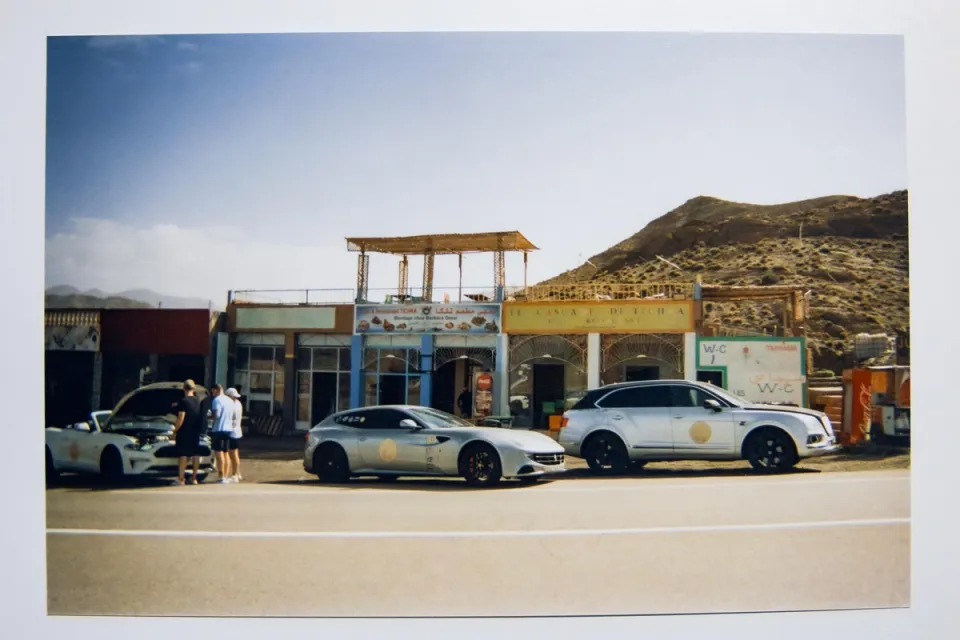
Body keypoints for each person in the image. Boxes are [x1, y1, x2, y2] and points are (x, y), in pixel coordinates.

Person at [172, 379, 203, 485]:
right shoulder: (198, 401)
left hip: (185, 431)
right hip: (195, 431)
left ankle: (181, 478)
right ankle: (194, 478)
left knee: (183, 454)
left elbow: (181, 417)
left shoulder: (183, 401)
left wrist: (175, 430)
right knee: (195, 454)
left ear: (184, 388)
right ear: (193, 389)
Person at [209, 384, 235, 483]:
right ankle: (226, 475)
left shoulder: (216, 400)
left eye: (212, 391)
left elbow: (217, 415)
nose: (212, 393)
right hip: (228, 429)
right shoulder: (229, 400)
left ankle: (221, 476)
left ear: (216, 390)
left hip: (219, 429)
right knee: (226, 453)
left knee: (218, 453)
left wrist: (210, 416)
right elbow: (232, 416)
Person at [225, 387, 244, 482]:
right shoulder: (238, 404)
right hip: (237, 431)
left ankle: (234, 474)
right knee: (235, 453)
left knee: (232, 454)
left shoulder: (231, 405)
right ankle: (238, 473)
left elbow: (231, 418)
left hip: (232, 431)